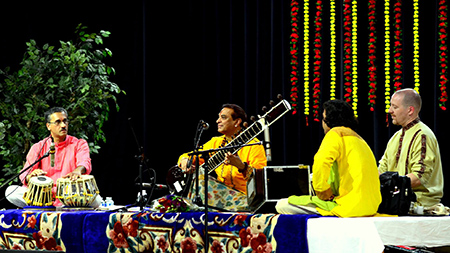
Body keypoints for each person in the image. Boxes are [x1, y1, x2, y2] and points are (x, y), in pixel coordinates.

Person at [276, 99, 381, 217]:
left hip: (349, 206)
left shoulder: (335, 133)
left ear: (328, 120)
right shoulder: (360, 139)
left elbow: (321, 162)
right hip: (371, 207)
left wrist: (324, 193)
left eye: (323, 118)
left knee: (281, 204)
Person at [5, 107, 100, 208]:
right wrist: (31, 176)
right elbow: (25, 173)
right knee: (10, 191)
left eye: (65, 121)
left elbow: (84, 162)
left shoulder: (79, 144)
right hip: (44, 195)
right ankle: (46, 206)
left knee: (96, 200)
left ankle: (55, 207)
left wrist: (77, 171)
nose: (63, 125)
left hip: (69, 194)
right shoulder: (39, 147)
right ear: (48, 126)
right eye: (58, 122)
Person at [378, 88, 446, 214]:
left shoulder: (422, 135)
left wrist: (390, 183)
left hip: (420, 208)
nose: (389, 111)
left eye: (395, 107)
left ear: (410, 110)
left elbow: (419, 177)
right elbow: (382, 170)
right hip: (396, 205)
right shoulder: (395, 137)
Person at [177, 104, 267, 194]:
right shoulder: (216, 142)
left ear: (237, 122)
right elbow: (190, 155)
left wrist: (242, 167)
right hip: (220, 195)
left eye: (223, 118)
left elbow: (261, 178)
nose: (217, 121)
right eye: (218, 117)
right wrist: (185, 160)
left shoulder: (254, 145)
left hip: (245, 197)